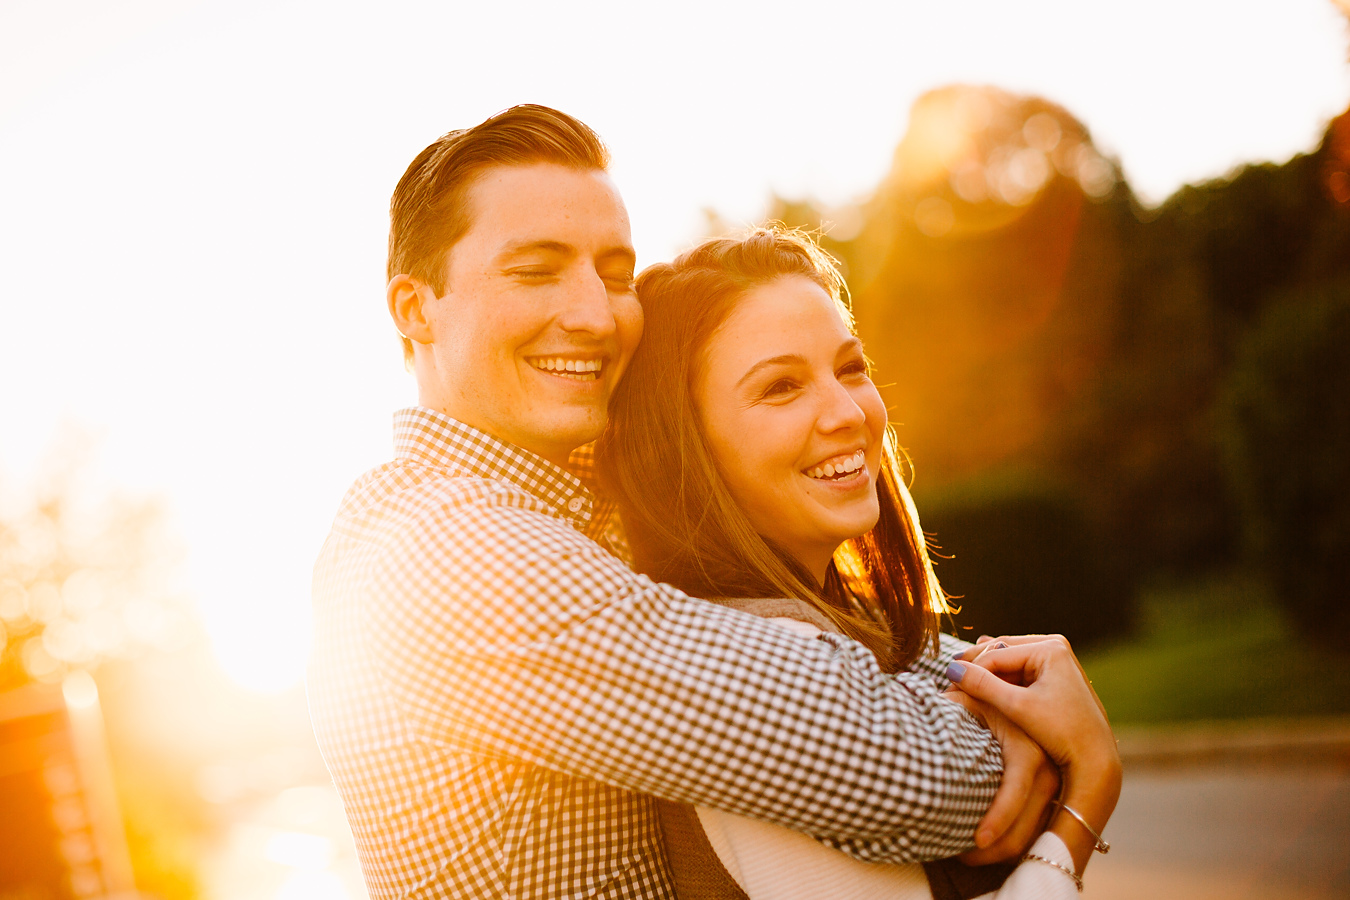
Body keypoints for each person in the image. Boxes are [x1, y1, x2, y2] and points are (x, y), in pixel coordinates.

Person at [307, 105, 1057, 900]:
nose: (595, 314)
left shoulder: (557, 514)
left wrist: (995, 668)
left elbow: (775, 610)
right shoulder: (444, 552)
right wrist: (1041, 727)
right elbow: (891, 768)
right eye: (536, 270)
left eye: (616, 274)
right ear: (415, 308)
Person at [597, 228, 1122, 898]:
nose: (848, 412)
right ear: (680, 446)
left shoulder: (844, 628)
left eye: (850, 368)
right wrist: (1084, 803)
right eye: (782, 387)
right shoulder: (764, 658)